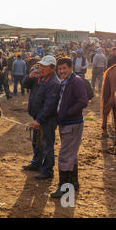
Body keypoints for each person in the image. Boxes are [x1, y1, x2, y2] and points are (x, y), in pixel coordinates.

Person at [51, 57, 88, 198]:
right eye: (59, 69)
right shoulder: (66, 81)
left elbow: (83, 101)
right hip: (67, 123)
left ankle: (64, 187)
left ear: (71, 68)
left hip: (72, 123)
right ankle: (73, 183)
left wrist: (67, 113)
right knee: (70, 154)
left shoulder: (76, 81)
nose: (61, 71)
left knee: (64, 155)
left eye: (64, 68)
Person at [22, 55, 61, 179]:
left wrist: (39, 120)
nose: (41, 68)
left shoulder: (54, 83)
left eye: (44, 66)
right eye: (40, 65)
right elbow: (25, 85)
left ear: (52, 68)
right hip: (38, 117)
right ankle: (36, 163)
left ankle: (48, 170)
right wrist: (29, 76)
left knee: (47, 145)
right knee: (36, 143)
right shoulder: (39, 78)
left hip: (47, 120)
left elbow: (50, 105)